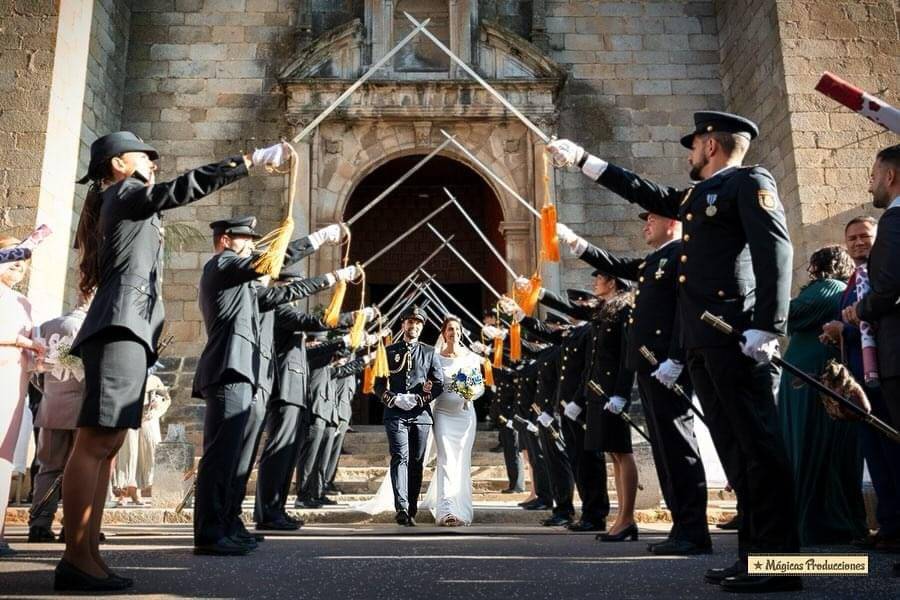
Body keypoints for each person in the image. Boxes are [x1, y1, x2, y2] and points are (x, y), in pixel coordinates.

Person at [548, 111, 800, 593]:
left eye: (693, 145)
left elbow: (776, 250)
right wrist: (582, 160)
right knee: (734, 452)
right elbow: (647, 192)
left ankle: (781, 562)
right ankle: (755, 557)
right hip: (704, 341)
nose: (688, 154)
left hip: (735, 336)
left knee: (758, 449)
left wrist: (768, 325)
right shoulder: (697, 197)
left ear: (710, 145)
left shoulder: (749, 182)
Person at [62, 132, 285, 589]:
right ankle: (75, 557)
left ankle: (88, 554)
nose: (154, 164)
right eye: (145, 157)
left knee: (105, 449)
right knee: (95, 444)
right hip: (119, 327)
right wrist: (250, 160)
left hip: (129, 329)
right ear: (119, 164)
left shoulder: (126, 198)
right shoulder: (124, 193)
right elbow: (183, 188)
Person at [192, 215, 350, 555]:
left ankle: (229, 522)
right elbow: (273, 263)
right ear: (224, 240)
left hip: (244, 373)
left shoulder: (246, 288)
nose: (252, 245)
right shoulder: (221, 266)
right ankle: (209, 532)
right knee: (220, 458)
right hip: (228, 370)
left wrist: (332, 277)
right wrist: (318, 239)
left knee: (237, 459)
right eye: (244, 239)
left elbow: (288, 294)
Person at [557, 211, 711, 554]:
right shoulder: (654, 260)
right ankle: (682, 527)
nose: (645, 224)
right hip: (650, 372)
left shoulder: (681, 254)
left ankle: (692, 530)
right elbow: (615, 263)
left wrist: (675, 356)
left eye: (651, 218)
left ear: (672, 222)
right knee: (665, 452)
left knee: (679, 450)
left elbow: (682, 311)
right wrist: (575, 243)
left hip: (667, 369)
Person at [823, 215, 900, 553]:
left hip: (885, 377)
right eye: (852, 238)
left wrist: (846, 330)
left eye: (864, 236)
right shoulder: (854, 279)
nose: (858, 243)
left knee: (893, 453)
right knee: (876, 456)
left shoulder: (883, 275)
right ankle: (889, 526)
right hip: (858, 383)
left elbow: (883, 321)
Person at [779, 245, 864, 545]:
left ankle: (817, 523)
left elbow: (786, 314)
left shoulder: (827, 287)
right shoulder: (837, 288)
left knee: (808, 446)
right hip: (813, 379)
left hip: (811, 381)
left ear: (820, 266)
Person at [27, 292, 91, 542]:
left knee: (48, 467)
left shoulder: (47, 325)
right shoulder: (89, 326)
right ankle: (75, 525)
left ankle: (39, 523)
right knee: (82, 468)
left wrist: (50, 392)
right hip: (80, 407)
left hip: (51, 405)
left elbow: (36, 371)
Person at [844, 144, 900, 426]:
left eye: (873, 176)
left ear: (889, 177)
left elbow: (889, 288)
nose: (870, 187)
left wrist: (859, 310)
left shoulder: (893, 220)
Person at [373, 306, 443, 526]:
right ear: (403, 325)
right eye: (410, 322)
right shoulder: (388, 350)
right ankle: (401, 507)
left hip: (420, 414)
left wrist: (421, 399)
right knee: (400, 457)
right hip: (395, 413)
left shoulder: (430, 352)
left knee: (416, 461)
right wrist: (390, 398)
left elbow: (439, 383)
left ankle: (411, 508)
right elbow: (377, 384)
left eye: (418, 323)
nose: (413, 326)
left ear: (422, 327)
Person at [0, 236, 46, 558]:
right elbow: (19, 340)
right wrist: (21, 342)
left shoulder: (25, 302)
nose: (19, 263)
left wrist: (41, 357)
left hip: (14, 385)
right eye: (12, 256)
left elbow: (30, 347)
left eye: (24, 259)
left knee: (3, 459)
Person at [424, 315, 486, 526]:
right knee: (446, 460)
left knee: (461, 462)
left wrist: (471, 393)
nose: (454, 333)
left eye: (457, 330)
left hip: (465, 415)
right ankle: (447, 511)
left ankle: (461, 507)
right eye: (450, 329)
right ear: (444, 333)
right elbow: (429, 383)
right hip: (443, 414)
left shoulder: (470, 357)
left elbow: (480, 386)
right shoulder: (435, 357)